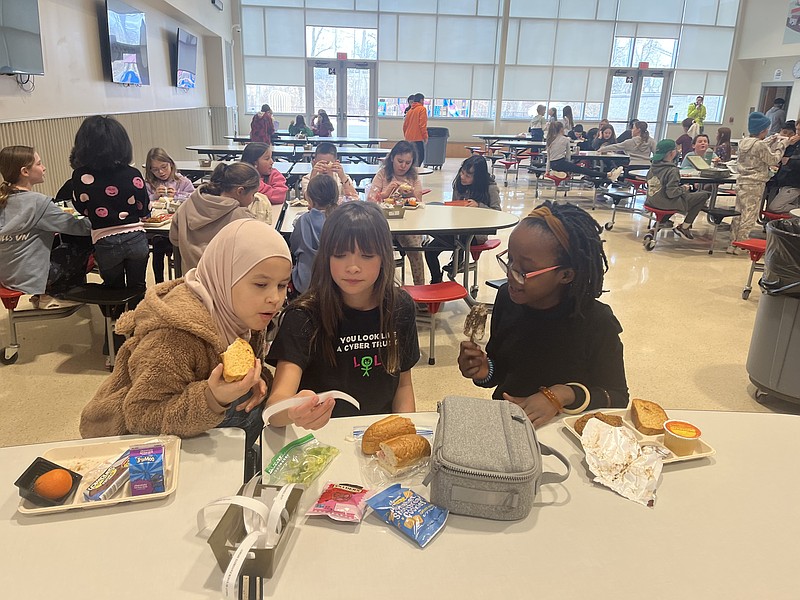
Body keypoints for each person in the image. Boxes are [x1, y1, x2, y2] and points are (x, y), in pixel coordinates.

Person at [79, 219, 292, 448]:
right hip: (144, 452)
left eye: (282, 286)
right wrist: (213, 398)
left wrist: (258, 380)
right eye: (261, 284)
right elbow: (141, 415)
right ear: (224, 275)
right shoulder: (174, 336)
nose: (275, 298)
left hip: (203, 438)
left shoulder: (243, 315)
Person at [457, 201, 628, 427]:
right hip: (509, 423)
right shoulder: (507, 299)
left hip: (566, 432)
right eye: (509, 261)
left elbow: (616, 396)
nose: (510, 275)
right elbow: (501, 369)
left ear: (565, 275)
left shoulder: (596, 321)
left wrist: (561, 395)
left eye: (524, 271)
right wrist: (483, 370)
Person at [265, 201, 420, 429]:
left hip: (378, 431)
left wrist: (405, 430)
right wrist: (292, 411)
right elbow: (275, 407)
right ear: (326, 257)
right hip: (320, 438)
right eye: (340, 255)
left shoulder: (400, 306)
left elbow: (403, 386)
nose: (353, 267)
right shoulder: (303, 316)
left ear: (384, 258)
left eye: (367, 255)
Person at [69, 115, 150, 302]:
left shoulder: (80, 175)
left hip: (105, 241)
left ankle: (116, 325)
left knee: (113, 291)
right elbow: (143, 208)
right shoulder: (132, 173)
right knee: (138, 287)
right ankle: (139, 324)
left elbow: (81, 208)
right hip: (135, 238)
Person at [0, 146, 92, 308]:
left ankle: (43, 293)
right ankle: (55, 294)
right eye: (39, 163)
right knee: (80, 243)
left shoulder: (5, 199)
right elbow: (81, 228)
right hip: (31, 275)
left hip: (7, 275)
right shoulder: (38, 203)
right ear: (25, 171)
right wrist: (103, 217)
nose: (44, 167)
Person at [424, 155, 502, 284]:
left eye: (468, 176)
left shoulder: (490, 188)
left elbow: (497, 214)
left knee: (459, 237)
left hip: (476, 235)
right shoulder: (459, 184)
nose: (463, 177)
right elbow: (455, 208)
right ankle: (436, 280)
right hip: (456, 229)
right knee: (429, 250)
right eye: (462, 173)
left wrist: (479, 206)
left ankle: (458, 259)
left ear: (478, 178)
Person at [727, 112, 795, 254]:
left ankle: (733, 243)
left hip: (742, 181)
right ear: (763, 130)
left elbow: (759, 146)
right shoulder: (759, 145)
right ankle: (742, 244)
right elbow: (773, 159)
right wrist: (782, 145)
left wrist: (772, 139)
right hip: (755, 183)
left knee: (739, 213)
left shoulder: (744, 142)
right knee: (750, 214)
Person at [169, 162, 258, 271]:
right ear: (240, 191)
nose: (253, 199)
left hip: (191, 280)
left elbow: (174, 239)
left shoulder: (185, 206)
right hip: (226, 283)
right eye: (253, 194)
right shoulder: (242, 217)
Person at [367, 141, 426, 286]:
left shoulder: (413, 177)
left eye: (407, 162)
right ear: (392, 157)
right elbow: (370, 200)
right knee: (378, 251)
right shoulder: (382, 174)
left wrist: (411, 193)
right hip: (384, 224)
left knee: (416, 250)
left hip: (407, 224)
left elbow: (419, 202)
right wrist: (386, 193)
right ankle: (382, 288)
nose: (403, 166)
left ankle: (421, 288)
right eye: (400, 161)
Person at [144, 148, 195, 284]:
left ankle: (181, 281)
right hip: (158, 226)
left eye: (163, 167)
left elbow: (194, 198)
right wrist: (154, 196)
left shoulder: (183, 182)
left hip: (178, 226)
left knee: (180, 245)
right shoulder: (149, 184)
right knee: (157, 244)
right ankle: (159, 283)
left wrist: (177, 195)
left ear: (171, 164)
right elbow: (143, 202)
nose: (161, 172)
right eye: (155, 169)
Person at [646, 139, 710, 239]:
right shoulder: (672, 170)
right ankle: (685, 226)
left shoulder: (652, 167)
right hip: (666, 203)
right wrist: (684, 188)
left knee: (673, 198)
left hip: (651, 201)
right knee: (703, 195)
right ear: (672, 153)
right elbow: (672, 193)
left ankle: (656, 228)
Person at [290, 173, 338, 295]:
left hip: (305, 284)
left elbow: (294, 247)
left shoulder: (302, 220)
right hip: (335, 284)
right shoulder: (342, 219)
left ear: (309, 199)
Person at [546, 122, 622, 186]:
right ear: (561, 129)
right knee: (583, 170)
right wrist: (568, 167)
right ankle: (608, 175)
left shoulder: (549, 139)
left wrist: (547, 170)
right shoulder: (565, 139)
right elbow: (568, 156)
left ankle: (555, 172)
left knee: (580, 169)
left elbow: (549, 157)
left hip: (553, 164)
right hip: (561, 163)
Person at [403, 93, 428, 166]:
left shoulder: (410, 110)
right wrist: (425, 136)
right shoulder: (422, 109)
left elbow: (405, 125)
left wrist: (406, 135)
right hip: (417, 138)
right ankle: (416, 173)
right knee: (420, 157)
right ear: (421, 100)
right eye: (423, 100)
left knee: (411, 158)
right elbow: (422, 124)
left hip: (408, 138)